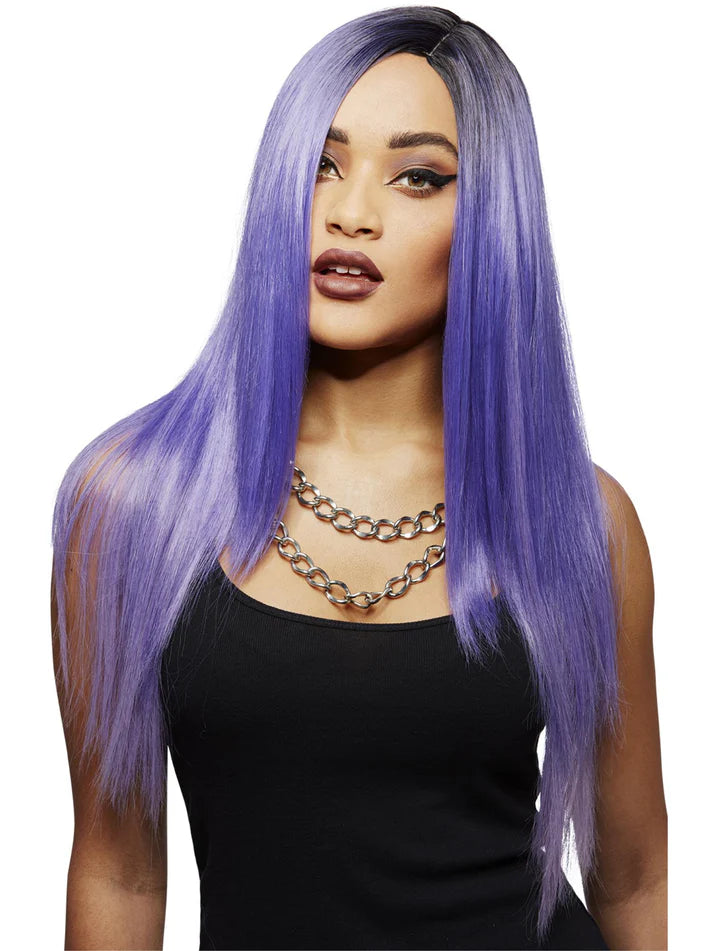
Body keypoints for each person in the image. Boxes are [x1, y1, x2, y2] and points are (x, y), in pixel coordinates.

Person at [51, 7, 667, 950]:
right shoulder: (133, 503)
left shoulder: (581, 520)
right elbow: (117, 868)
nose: (350, 212)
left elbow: (633, 873)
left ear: (491, 217)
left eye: (417, 176)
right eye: (321, 164)